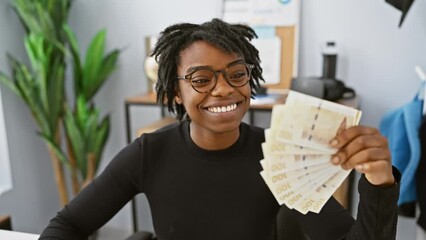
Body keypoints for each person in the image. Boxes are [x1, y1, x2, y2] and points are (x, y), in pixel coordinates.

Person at [39, 18, 399, 240]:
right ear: (174, 94)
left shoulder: (279, 156)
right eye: (201, 79)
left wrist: (380, 183)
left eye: (236, 74)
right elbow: (67, 225)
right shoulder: (149, 153)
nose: (224, 88)